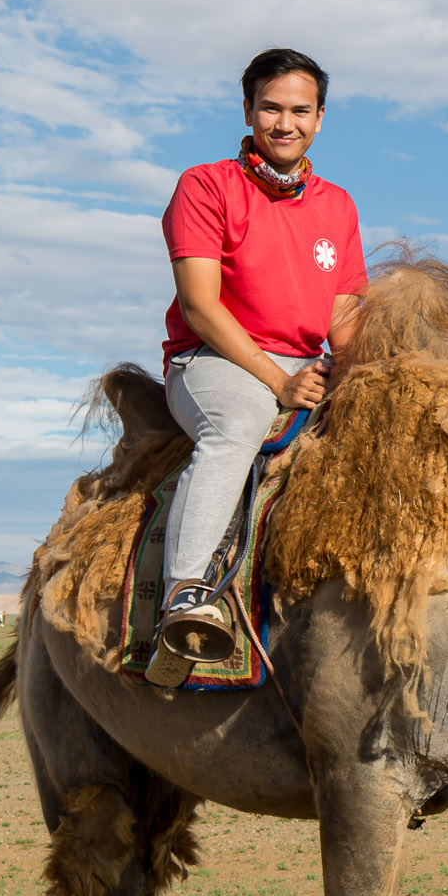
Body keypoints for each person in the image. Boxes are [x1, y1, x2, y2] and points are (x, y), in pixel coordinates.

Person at [155, 47, 369, 663]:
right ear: (248, 111)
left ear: (320, 118)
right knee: (239, 422)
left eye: (300, 110)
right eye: (270, 107)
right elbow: (199, 305)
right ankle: (186, 597)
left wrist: (361, 381)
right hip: (215, 360)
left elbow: (345, 316)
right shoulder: (205, 185)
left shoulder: (338, 205)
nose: (285, 123)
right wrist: (279, 380)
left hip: (306, 364)